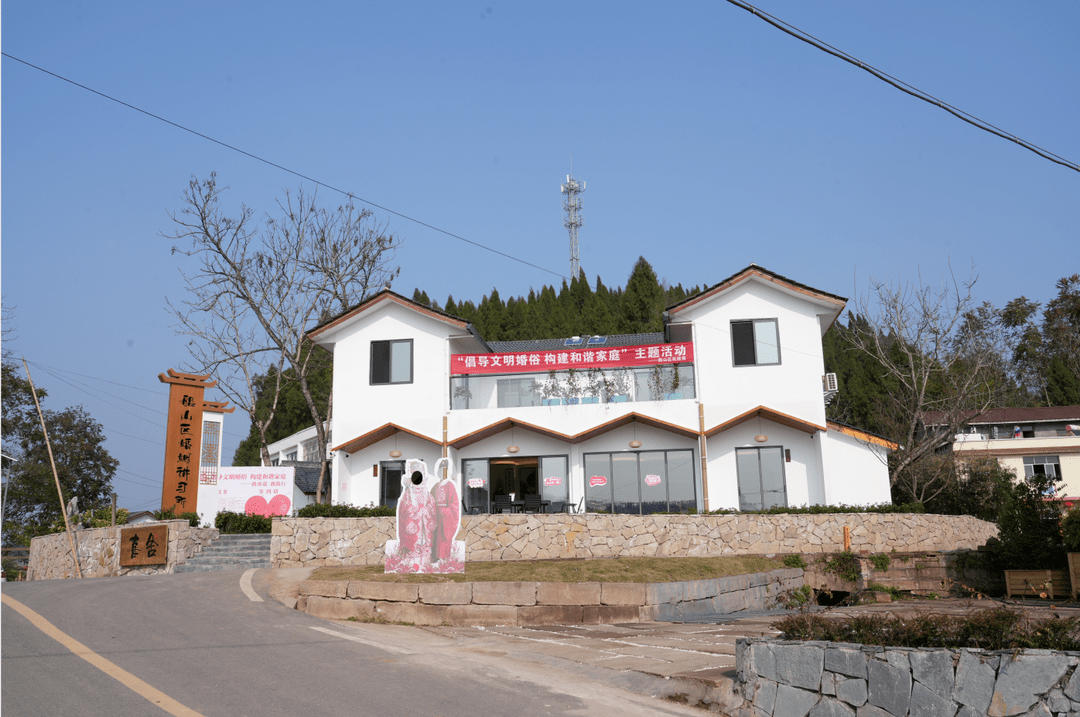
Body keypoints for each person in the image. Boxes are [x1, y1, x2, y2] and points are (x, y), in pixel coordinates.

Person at [389, 461, 436, 572]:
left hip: (424, 525)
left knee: (424, 544)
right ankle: (413, 565)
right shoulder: (408, 492)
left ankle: (424, 565)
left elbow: (431, 505)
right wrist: (415, 511)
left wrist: (425, 510)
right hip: (414, 522)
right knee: (414, 545)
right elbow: (404, 508)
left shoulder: (426, 492)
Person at [430, 457, 461, 565]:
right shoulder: (435, 486)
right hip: (435, 516)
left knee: (443, 537)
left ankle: (443, 558)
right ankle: (434, 558)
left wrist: (445, 512)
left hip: (445, 517)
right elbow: (430, 500)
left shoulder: (450, 486)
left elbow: (454, 504)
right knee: (434, 538)